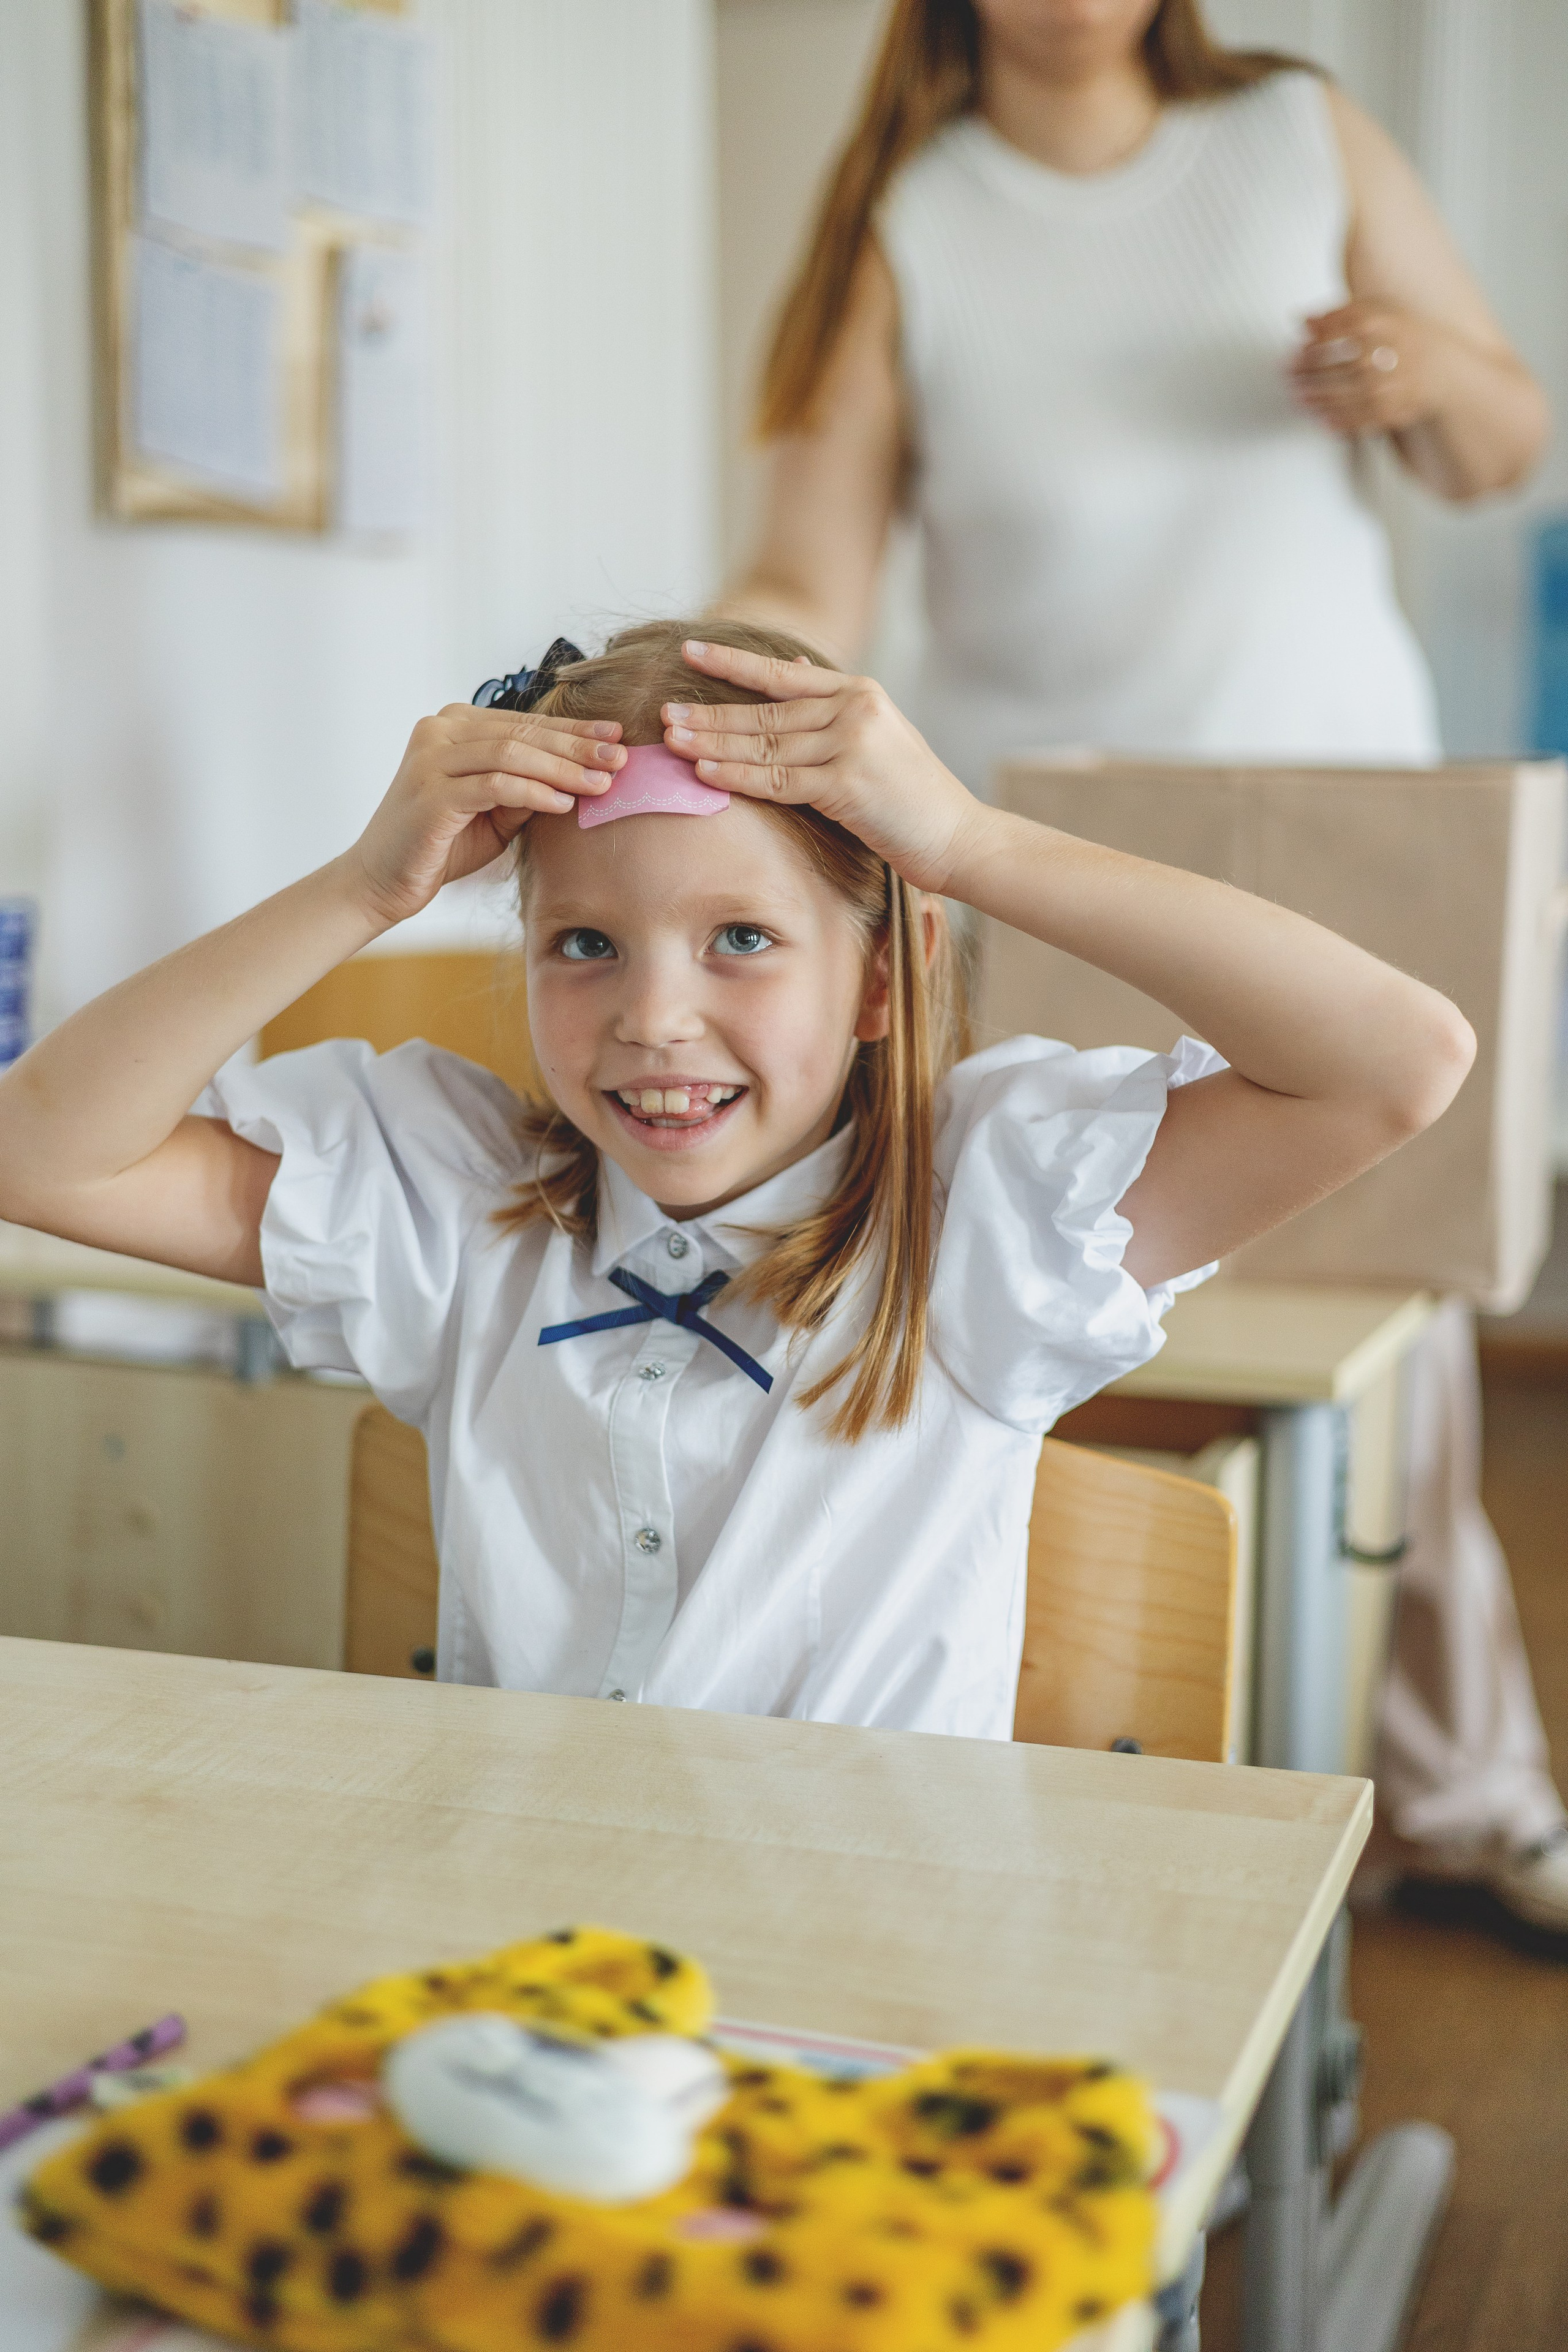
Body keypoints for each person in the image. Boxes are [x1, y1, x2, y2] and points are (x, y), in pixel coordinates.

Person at [0, 620, 1471, 1732]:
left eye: (741, 941)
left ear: (881, 981)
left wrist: (969, 843)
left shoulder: (976, 1221)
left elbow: (1393, 1060)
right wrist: (362, 888)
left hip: (844, 1975)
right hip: (532, 1959)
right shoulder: (457, 1204)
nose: (652, 1017)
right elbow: (40, 1152)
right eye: (583, 945)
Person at [720, 0, 1564, 1931]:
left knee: (1387, 1314)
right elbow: (810, 567)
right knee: (1073, 1284)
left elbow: (1501, 442)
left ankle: (1458, 1782)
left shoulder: (1296, 134)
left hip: (1342, 819)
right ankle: (1147, 1776)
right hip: (1051, 849)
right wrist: (705, 659)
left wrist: (1434, 372)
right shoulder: (908, 215)